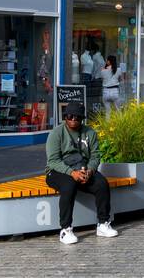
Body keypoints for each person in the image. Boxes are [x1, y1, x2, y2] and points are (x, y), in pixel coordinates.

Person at [45, 100, 118, 244]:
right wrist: (72, 173)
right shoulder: (56, 133)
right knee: (69, 185)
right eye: (70, 116)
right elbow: (53, 161)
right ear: (65, 117)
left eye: (77, 117)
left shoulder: (89, 132)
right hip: (57, 171)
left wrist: (90, 171)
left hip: (83, 168)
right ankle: (65, 229)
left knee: (101, 183)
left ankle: (102, 224)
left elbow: (95, 156)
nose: (73, 120)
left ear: (82, 119)